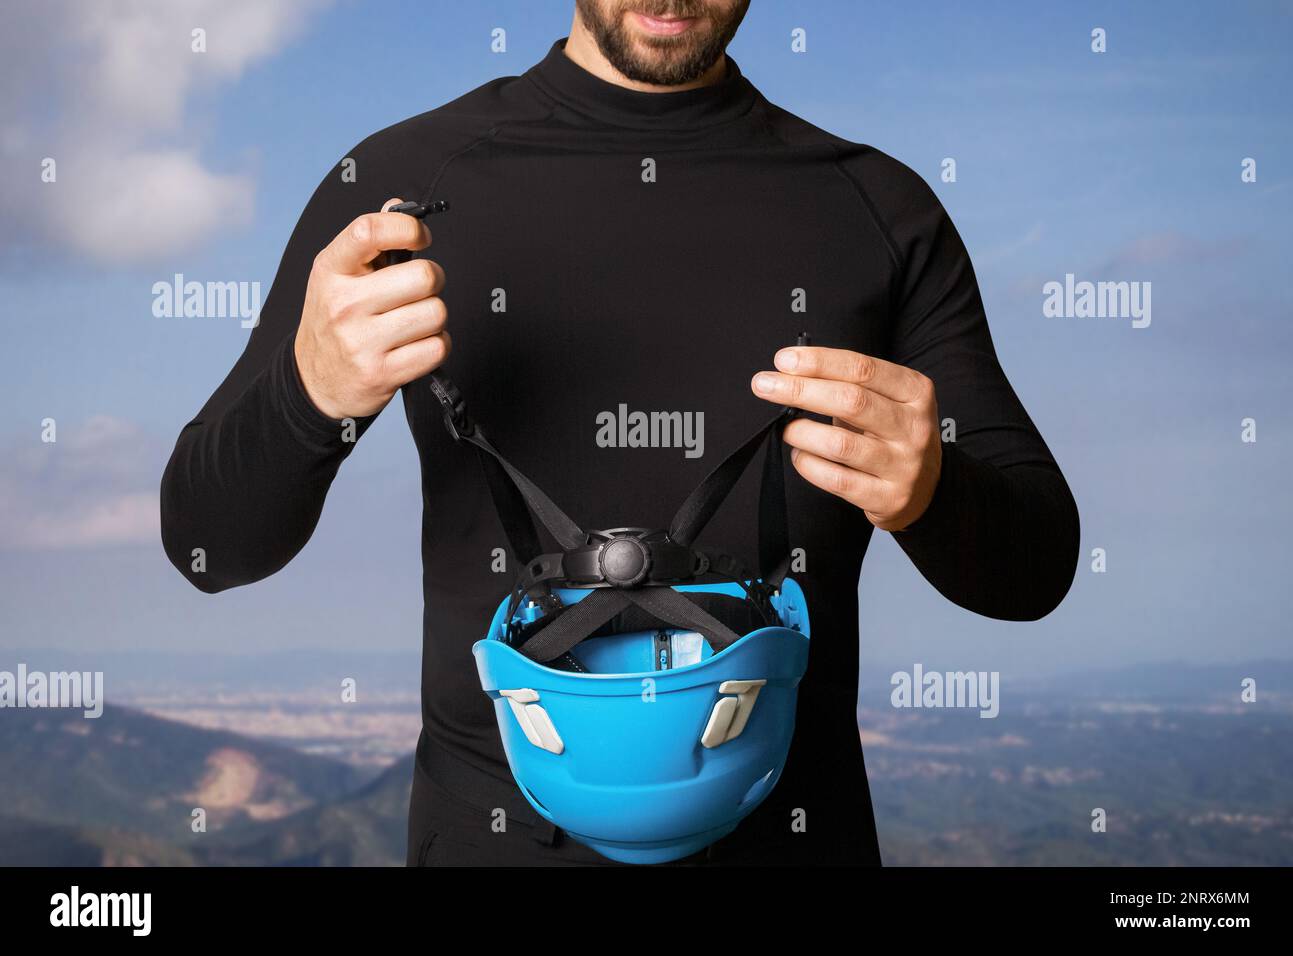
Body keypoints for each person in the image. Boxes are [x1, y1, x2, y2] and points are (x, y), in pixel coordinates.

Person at [161, 0, 1079, 866]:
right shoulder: (401, 193)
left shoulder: (881, 210)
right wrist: (307, 393)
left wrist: (933, 490)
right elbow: (207, 544)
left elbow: (1036, 571)